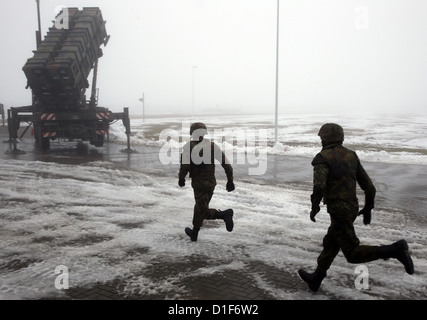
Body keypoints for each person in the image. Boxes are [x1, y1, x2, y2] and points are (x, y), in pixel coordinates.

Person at [298, 123, 414, 292]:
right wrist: (368, 208)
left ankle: (395, 250)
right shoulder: (351, 156)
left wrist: (314, 206)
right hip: (351, 207)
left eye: (322, 137)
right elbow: (369, 187)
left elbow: (319, 187)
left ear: (327, 138)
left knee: (352, 253)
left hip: (338, 210)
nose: (321, 140)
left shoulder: (322, 158)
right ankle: (316, 278)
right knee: (331, 243)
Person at [179, 122, 235, 242]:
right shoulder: (212, 146)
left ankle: (225, 214)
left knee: (202, 211)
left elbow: (185, 166)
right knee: (199, 208)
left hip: (199, 185)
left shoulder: (188, 147)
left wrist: (181, 178)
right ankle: (194, 233)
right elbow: (226, 164)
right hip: (211, 184)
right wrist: (230, 180)